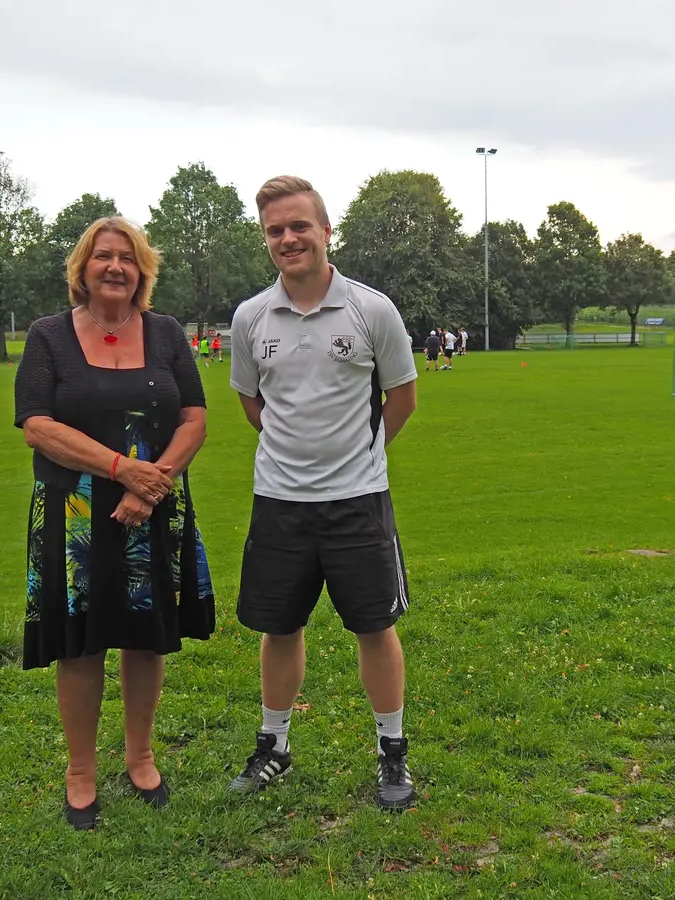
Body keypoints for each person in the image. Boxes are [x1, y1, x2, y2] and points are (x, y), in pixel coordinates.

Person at [14, 216, 215, 831]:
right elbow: (36, 424)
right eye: (103, 256)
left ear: (142, 270)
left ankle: (140, 755)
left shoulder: (165, 333)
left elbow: (194, 418)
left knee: (144, 635)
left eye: (127, 258)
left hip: (150, 507)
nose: (115, 267)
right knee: (82, 642)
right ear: (83, 267)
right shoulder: (49, 337)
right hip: (76, 511)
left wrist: (150, 486)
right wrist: (123, 469)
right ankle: (80, 772)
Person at [227, 175, 420, 811]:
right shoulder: (251, 317)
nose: (288, 239)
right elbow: (253, 404)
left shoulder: (372, 309)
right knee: (279, 628)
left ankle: (392, 754)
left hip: (358, 501)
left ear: (326, 230)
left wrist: (355, 456)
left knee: (374, 627)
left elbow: (402, 398)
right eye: (275, 230)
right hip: (279, 502)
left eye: (299, 226)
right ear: (267, 240)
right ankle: (273, 746)